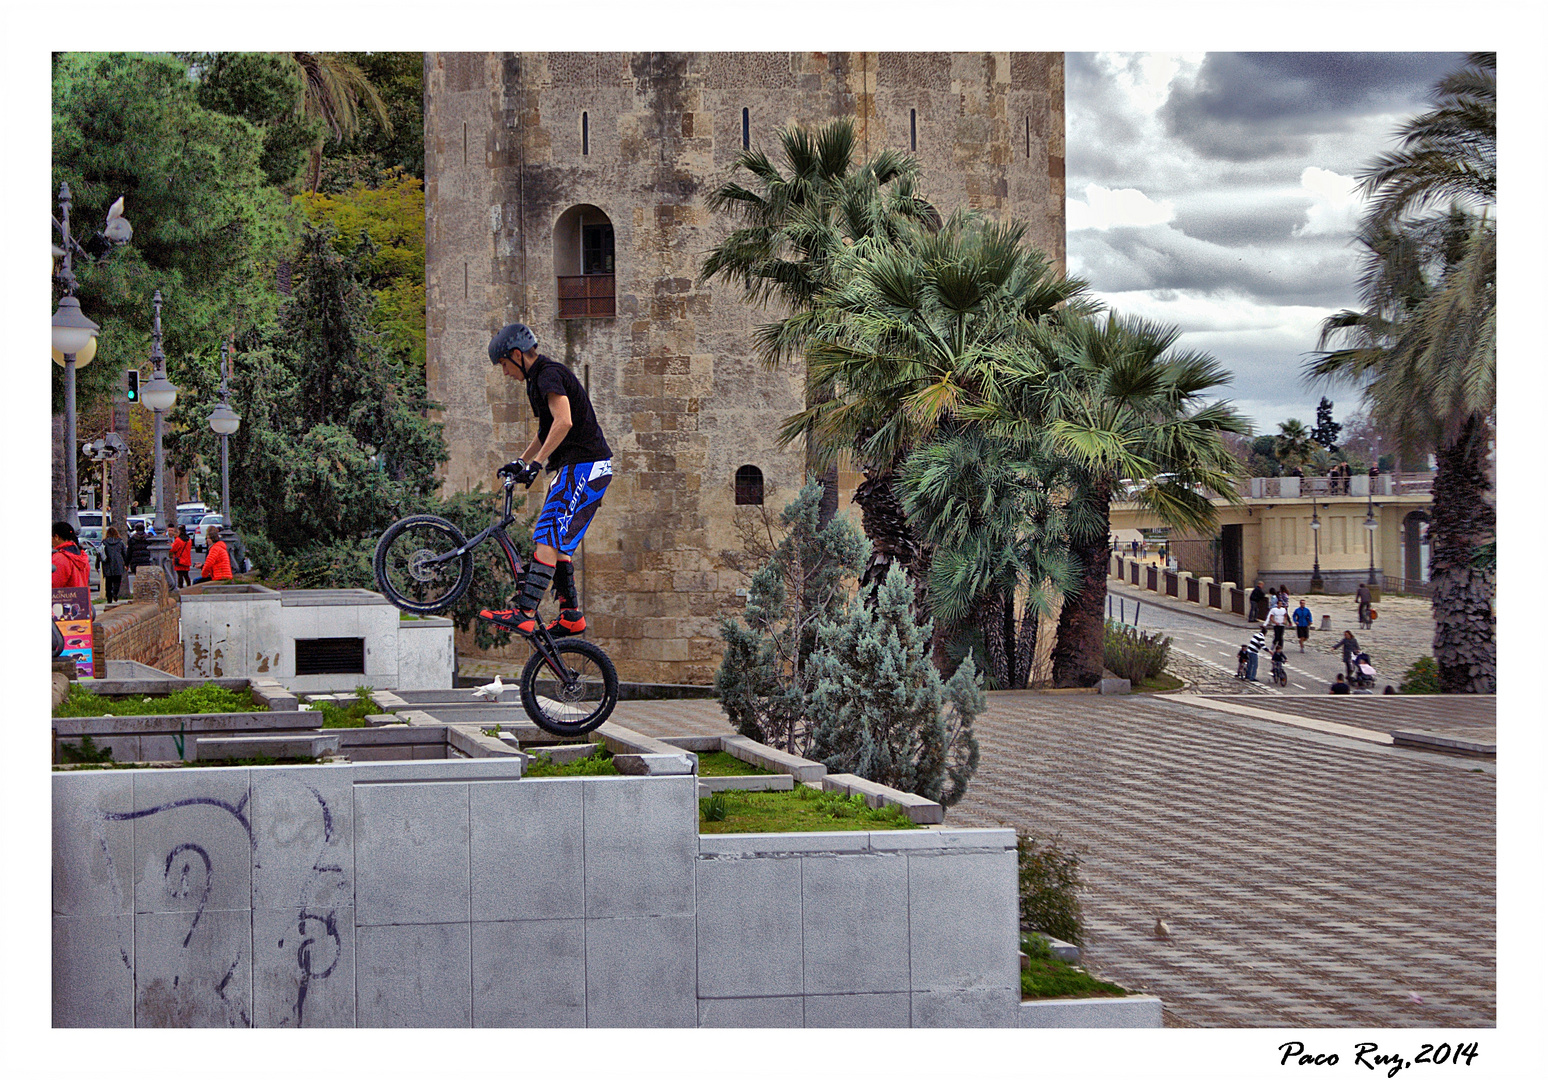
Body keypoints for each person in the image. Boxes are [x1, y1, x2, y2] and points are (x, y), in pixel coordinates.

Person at [480, 323, 613, 637]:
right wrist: (522, 462)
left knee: (547, 535)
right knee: (557, 542)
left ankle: (524, 612)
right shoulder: (537, 380)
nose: (504, 373)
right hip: (578, 467)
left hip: (584, 466)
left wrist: (537, 465)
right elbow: (546, 432)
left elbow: (564, 421)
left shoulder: (548, 374)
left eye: (503, 365)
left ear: (516, 355)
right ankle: (570, 615)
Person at [51, 521, 91, 589]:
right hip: (82, 597)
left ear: (56, 537)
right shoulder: (82, 555)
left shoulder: (59, 558)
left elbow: (54, 584)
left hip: (65, 598)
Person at [100, 526, 128, 603]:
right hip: (118, 564)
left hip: (107, 564)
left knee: (108, 582)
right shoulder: (120, 542)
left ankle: (109, 597)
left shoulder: (104, 543)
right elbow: (124, 554)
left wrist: (98, 564)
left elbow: (100, 553)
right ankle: (115, 593)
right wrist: (126, 563)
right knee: (117, 581)